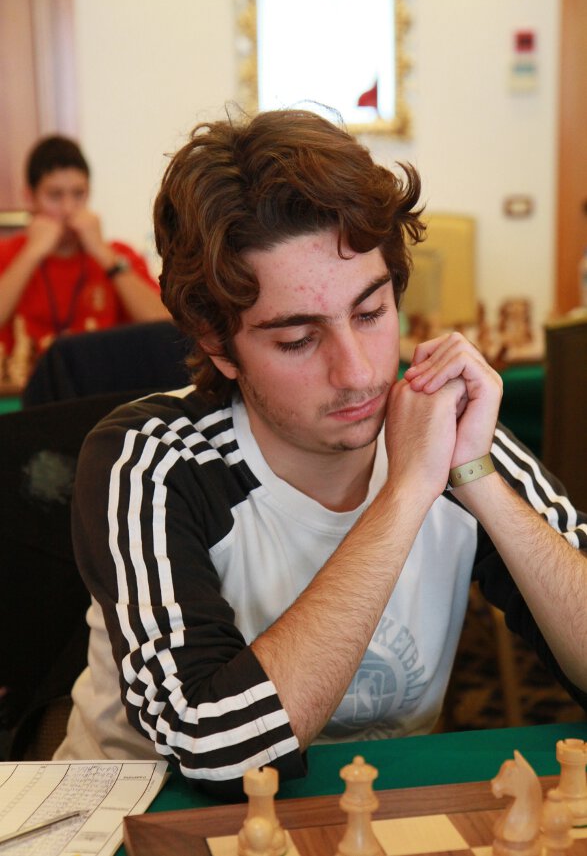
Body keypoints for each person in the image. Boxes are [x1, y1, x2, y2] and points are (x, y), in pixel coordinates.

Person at [55, 109, 587, 797]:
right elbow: (219, 752)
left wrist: (474, 477)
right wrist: (405, 494)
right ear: (219, 345)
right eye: (298, 339)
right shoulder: (149, 459)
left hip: (359, 812)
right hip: (146, 814)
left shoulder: (450, 435)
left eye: (370, 313)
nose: (359, 372)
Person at [0, 135, 169, 387]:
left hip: (99, 395)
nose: (68, 208)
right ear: (29, 197)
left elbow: (165, 329)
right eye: (55, 195)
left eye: (78, 194)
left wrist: (103, 254)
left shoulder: (116, 255)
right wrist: (32, 253)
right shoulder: (7, 253)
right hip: (20, 395)